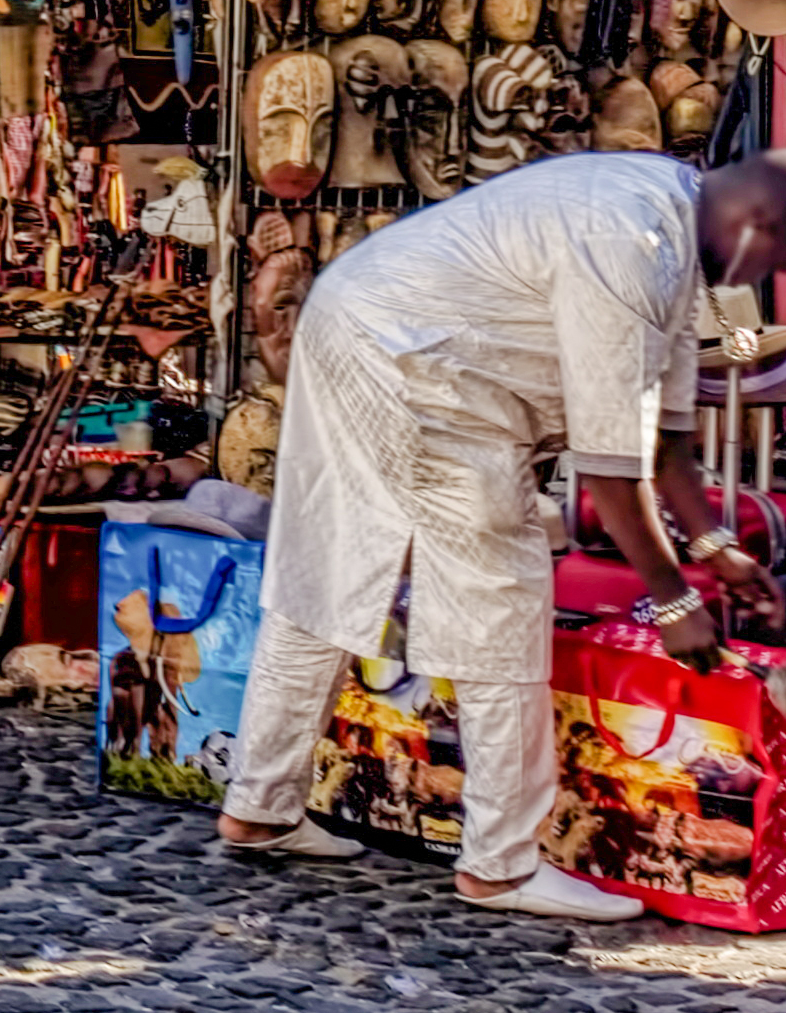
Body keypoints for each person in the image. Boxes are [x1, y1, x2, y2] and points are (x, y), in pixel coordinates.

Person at [215, 152, 786, 919]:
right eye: (780, 259)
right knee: (499, 594)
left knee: (333, 561)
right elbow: (612, 469)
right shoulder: (633, 243)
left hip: (372, 323)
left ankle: (260, 804)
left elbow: (667, 440)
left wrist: (716, 546)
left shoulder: (669, 218)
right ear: (759, 230)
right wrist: (673, 600)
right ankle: (502, 865)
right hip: (423, 363)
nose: (769, 278)